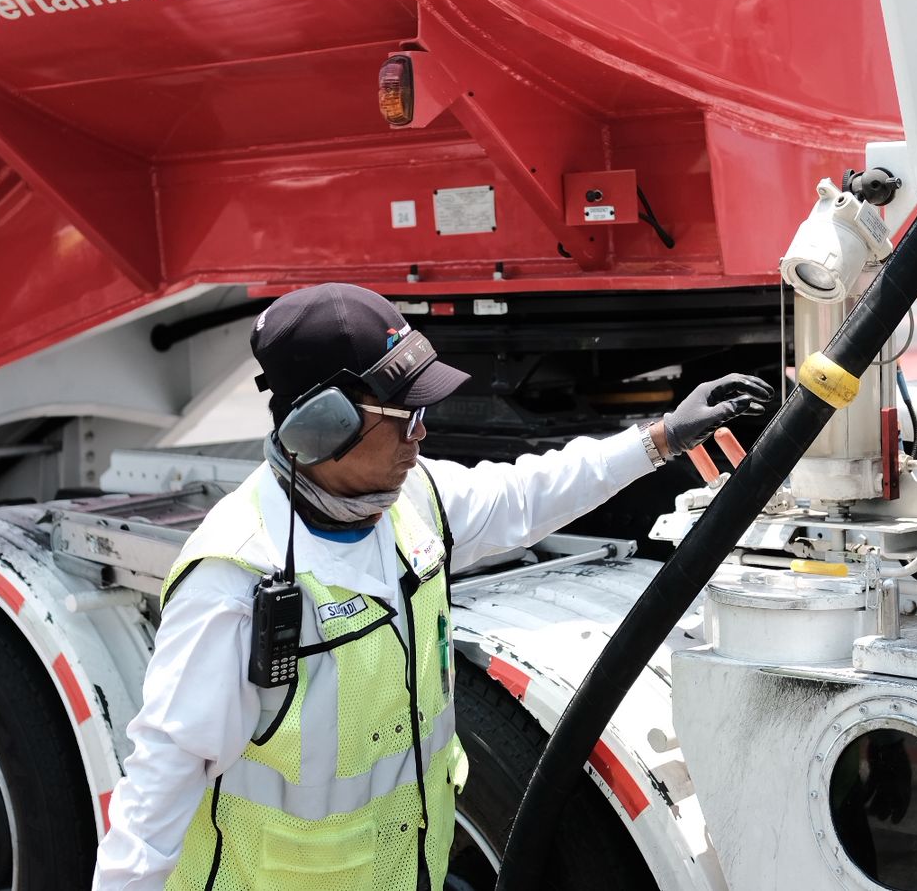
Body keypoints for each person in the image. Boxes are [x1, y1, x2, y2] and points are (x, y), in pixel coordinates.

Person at [93, 283, 772, 891]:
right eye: (405, 418)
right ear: (320, 427)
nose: (423, 434)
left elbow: (525, 494)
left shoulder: (415, 498)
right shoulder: (235, 580)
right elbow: (160, 783)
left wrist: (658, 439)